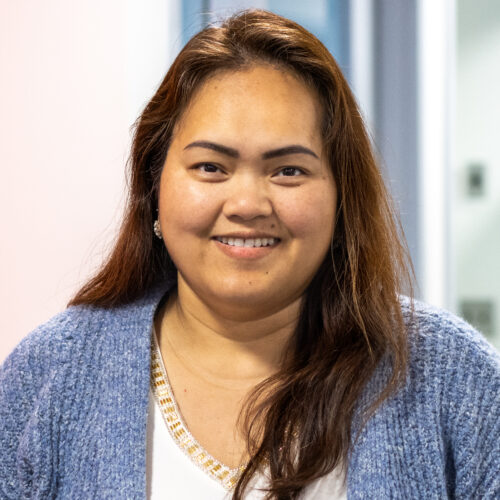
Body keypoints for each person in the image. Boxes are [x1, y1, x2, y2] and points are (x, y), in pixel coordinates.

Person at [1, 9, 499, 500]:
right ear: (154, 186)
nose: (245, 206)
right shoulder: (50, 376)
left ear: (341, 196)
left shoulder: (454, 377)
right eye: (210, 166)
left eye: (288, 171)